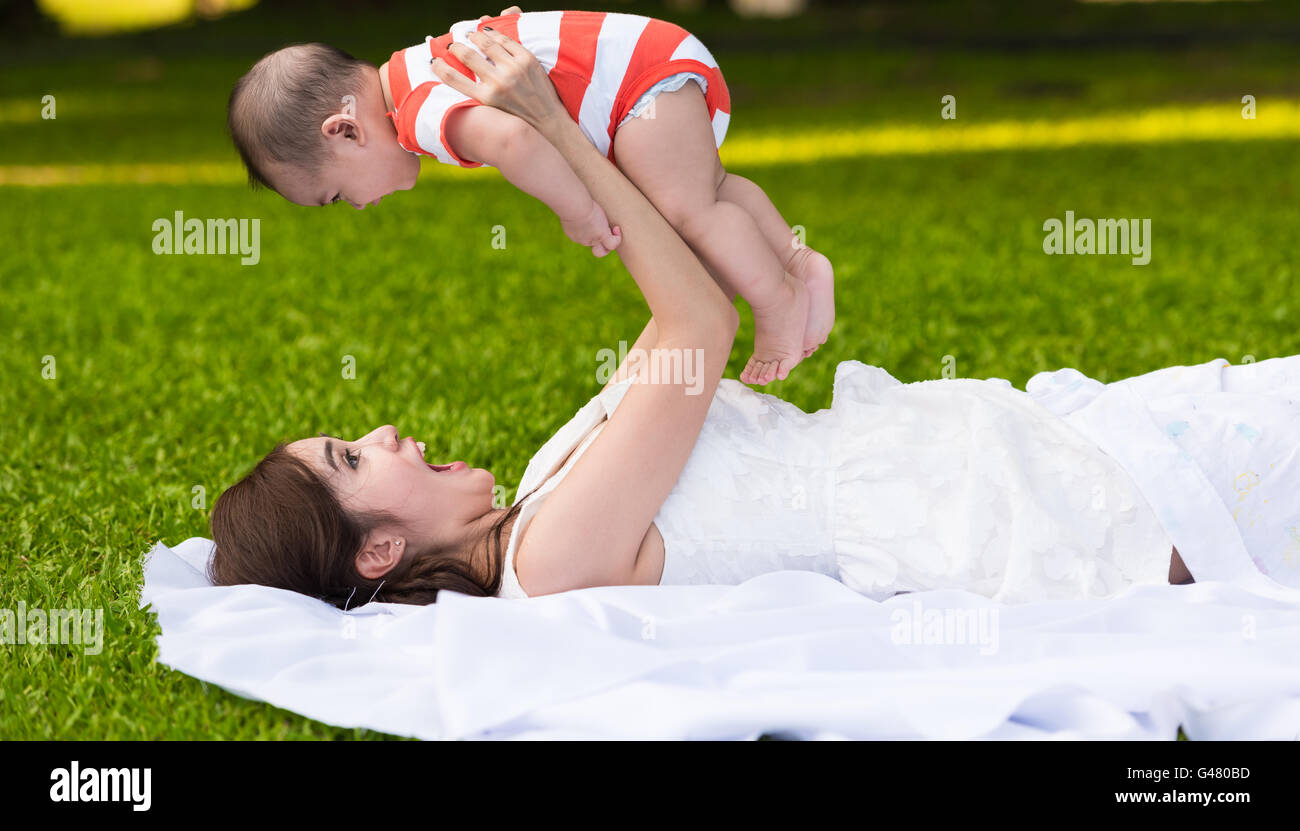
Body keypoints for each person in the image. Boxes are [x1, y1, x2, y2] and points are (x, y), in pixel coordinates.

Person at [211, 28, 1298, 609]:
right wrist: (549, 121)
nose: (389, 432)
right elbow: (694, 330)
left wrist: (605, 144)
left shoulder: (545, 492)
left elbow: (683, 296)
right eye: (353, 457)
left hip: (1017, 454)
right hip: (1029, 512)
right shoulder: (547, 560)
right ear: (378, 550)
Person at [225, 7, 834, 385]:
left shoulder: (415, 111)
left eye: (335, 196)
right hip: (652, 60)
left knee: (684, 213)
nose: (356, 208)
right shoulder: (413, 67)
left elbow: (516, 140)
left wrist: (579, 212)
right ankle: (801, 261)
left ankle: (777, 302)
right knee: (710, 191)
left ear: (346, 129)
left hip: (637, 86)